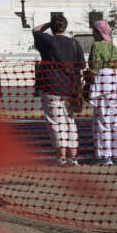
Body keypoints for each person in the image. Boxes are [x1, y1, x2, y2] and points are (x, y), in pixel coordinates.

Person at [32, 15, 84, 165]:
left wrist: (49, 23)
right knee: (70, 121)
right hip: (70, 87)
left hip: (51, 85)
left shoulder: (48, 40)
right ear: (65, 27)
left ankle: (61, 156)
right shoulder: (74, 43)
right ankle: (72, 157)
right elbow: (80, 65)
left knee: (56, 122)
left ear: (53, 27)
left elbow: (36, 30)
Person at [88, 20, 117, 166]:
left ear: (98, 32)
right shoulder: (113, 47)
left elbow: (94, 66)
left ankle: (104, 156)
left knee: (102, 120)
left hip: (103, 82)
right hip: (116, 83)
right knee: (116, 121)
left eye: (93, 31)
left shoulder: (97, 46)